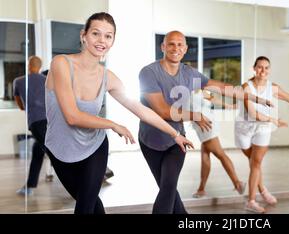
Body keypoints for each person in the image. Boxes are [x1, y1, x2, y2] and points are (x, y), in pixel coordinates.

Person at [44, 12, 193, 214]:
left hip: (94, 147)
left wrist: (175, 135)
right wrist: (113, 124)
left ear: (113, 40)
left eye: (108, 36)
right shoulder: (61, 63)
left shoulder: (108, 77)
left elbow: (140, 109)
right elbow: (72, 116)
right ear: (83, 35)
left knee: (86, 206)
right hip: (60, 148)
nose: (101, 41)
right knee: (93, 206)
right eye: (96, 33)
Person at [139, 30, 271, 214]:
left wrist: (253, 97)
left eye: (180, 45)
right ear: (163, 47)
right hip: (150, 140)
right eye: (171, 44)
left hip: (176, 141)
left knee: (168, 186)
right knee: (167, 189)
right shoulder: (148, 73)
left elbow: (221, 88)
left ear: (185, 49)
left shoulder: (189, 74)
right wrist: (195, 115)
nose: (175, 48)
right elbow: (162, 110)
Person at [235, 56, 289, 213]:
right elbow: (252, 113)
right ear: (254, 68)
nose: (263, 70)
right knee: (254, 163)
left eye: (266, 68)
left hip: (263, 128)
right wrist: (273, 119)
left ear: (269, 70)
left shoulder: (273, 87)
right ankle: (263, 190)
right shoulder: (246, 87)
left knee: (256, 163)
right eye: (260, 67)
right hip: (244, 128)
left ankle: (251, 201)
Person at [190, 90, 246, 198]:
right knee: (205, 155)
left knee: (220, 154)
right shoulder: (193, 90)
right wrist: (228, 105)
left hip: (206, 124)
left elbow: (211, 98)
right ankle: (201, 189)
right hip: (204, 124)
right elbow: (212, 98)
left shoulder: (194, 89)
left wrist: (228, 105)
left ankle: (237, 183)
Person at [13, 56, 47, 196]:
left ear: (28, 65)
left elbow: (20, 106)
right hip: (50, 121)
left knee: (56, 154)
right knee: (38, 151)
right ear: (40, 66)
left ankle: (87, 179)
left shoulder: (19, 81)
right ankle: (29, 186)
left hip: (36, 122)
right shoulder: (46, 80)